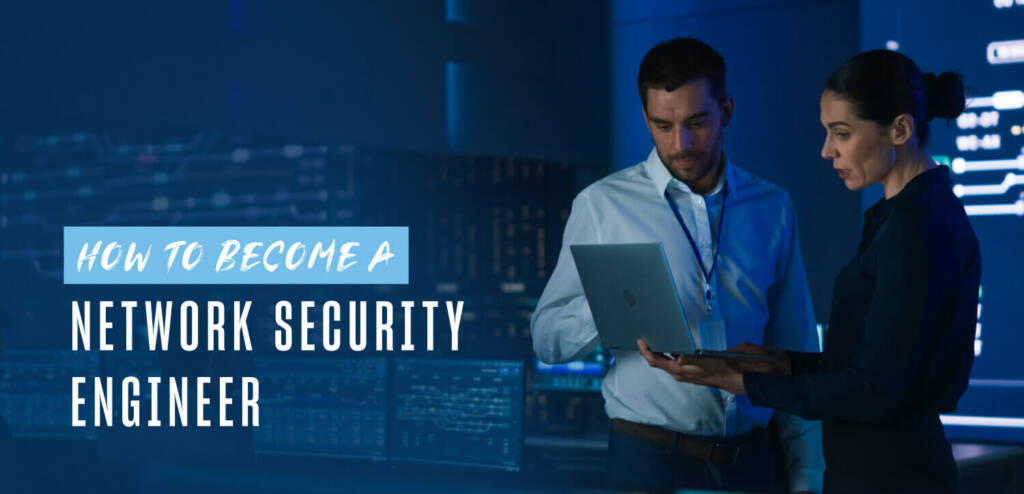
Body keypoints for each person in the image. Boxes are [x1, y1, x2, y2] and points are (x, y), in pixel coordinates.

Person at [637, 49, 980, 494]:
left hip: (892, 477)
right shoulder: (905, 217)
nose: (826, 150)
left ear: (900, 129)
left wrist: (744, 382)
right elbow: (879, 365)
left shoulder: (918, 227)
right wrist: (781, 363)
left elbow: (874, 390)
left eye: (841, 133)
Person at [532, 37, 824, 494]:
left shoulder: (773, 207)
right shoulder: (602, 205)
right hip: (645, 461)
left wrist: (808, 475)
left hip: (752, 463)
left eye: (697, 123)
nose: (680, 143)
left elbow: (795, 346)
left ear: (727, 110)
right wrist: (614, 306)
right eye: (662, 125)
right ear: (645, 117)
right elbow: (547, 339)